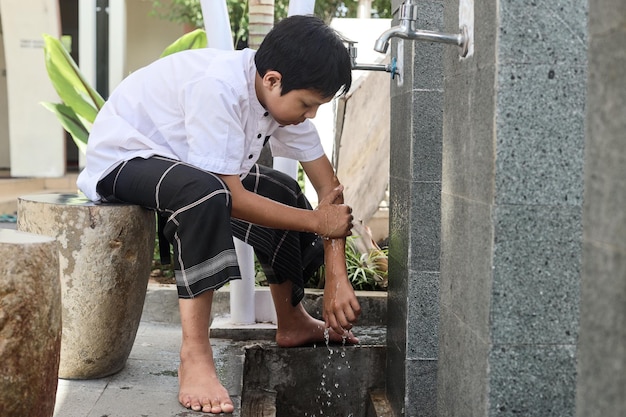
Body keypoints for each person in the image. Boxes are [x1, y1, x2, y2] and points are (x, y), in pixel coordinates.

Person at [76, 14, 361, 414]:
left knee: (282, 190)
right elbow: (230, 195)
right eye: (308, 104)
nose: (310, 115)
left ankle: (292, 320)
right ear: (273, 80)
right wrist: (316, 222)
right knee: (206, 195)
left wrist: (337, 275)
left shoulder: (279, 99)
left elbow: (329, 191)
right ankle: (194, 353)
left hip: (182, 166)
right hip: (125, 159)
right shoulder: (220, 88)